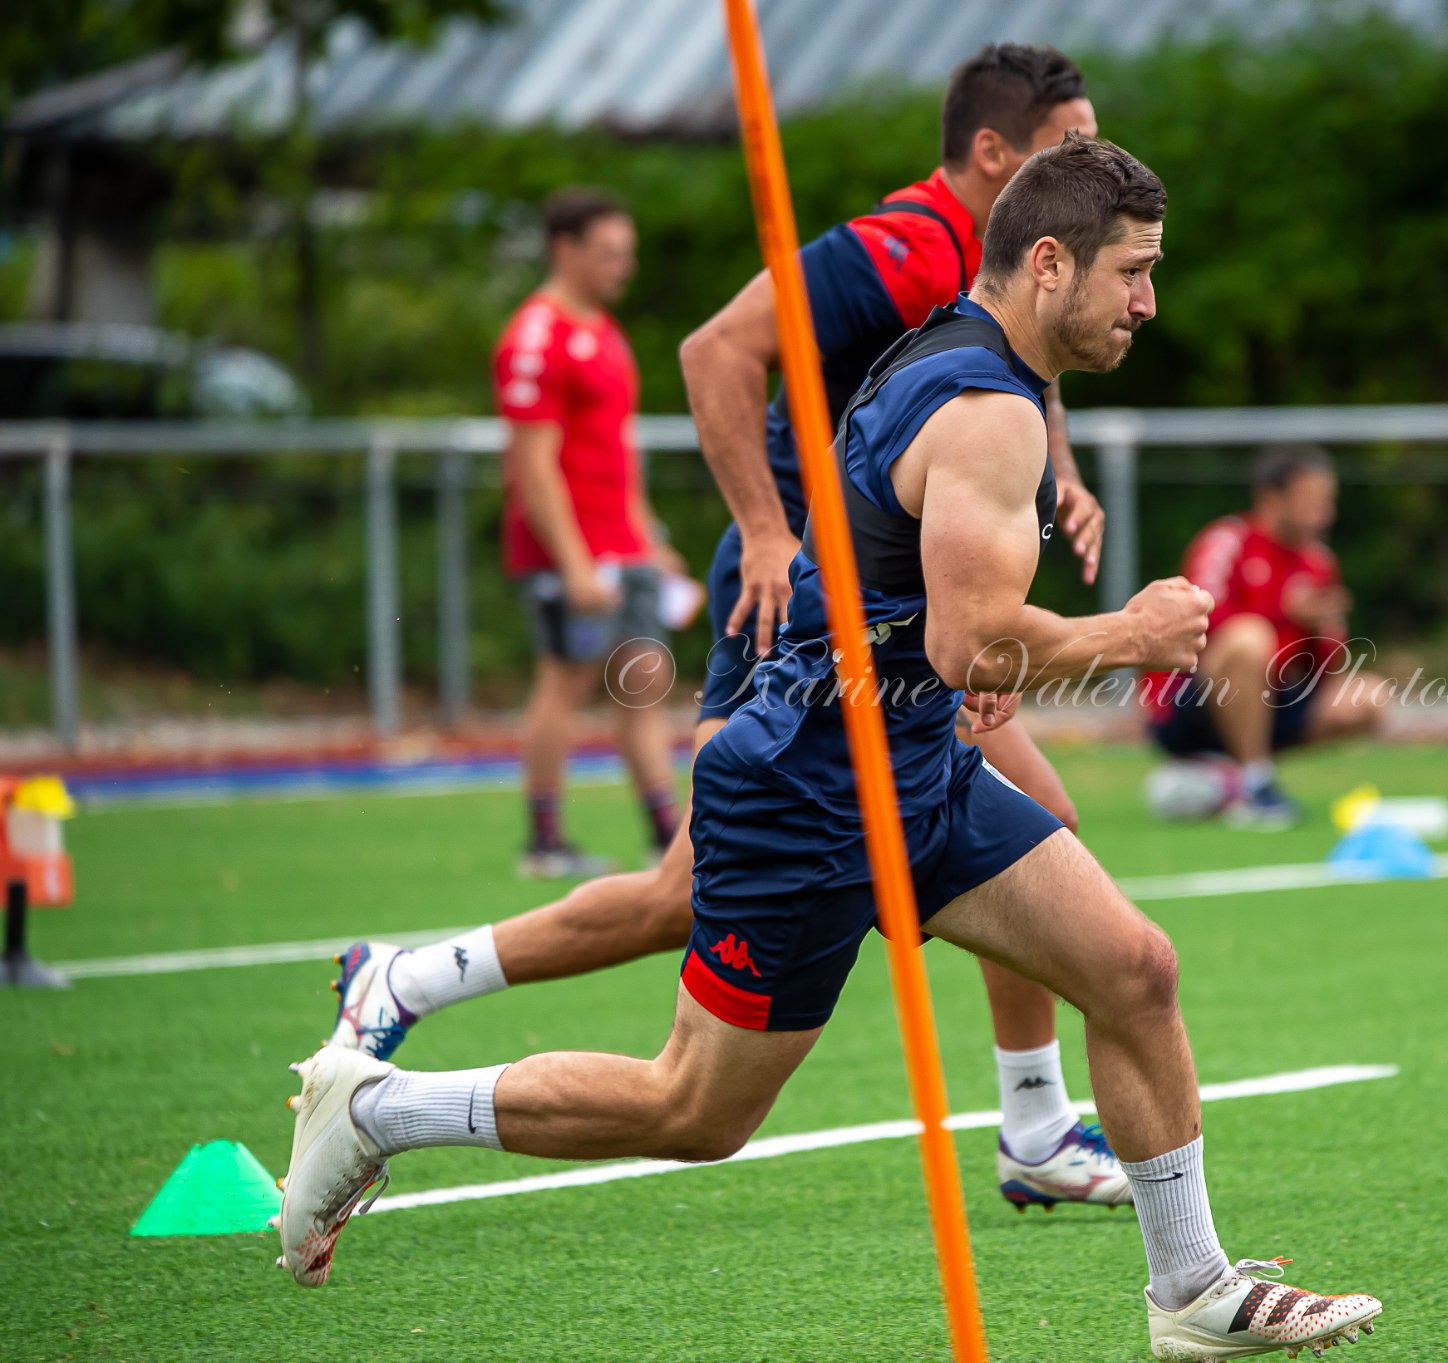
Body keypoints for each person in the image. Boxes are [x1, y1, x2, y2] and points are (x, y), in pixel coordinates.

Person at [280, 136, 1382, 1361]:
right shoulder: (985, 412)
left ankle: (1192, 1289)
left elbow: (911, 605)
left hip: (910, 764)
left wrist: (931, 665)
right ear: (1051, 260)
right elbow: (974, 640)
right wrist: (1132, 629)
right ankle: (380, 1109)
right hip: (809, 789)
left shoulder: (956, 361)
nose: (1146, 303)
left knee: (1133, 968)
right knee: (694, 1109)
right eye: (1131, 272)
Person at [325, 46, 1124, 1212]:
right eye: (1067, 146)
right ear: (995, 156)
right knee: (729, 914)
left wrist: (1052, 474)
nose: (1089, 168)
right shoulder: (903, 245)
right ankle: (1035, 1121)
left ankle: (406, 974)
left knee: (704, 891)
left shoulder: (999, 271)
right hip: (807, 617)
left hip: (888, 624)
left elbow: (1015, 379)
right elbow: (716, 350)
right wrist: (762, 529)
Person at [495, 187, 686, 879]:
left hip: (622, 546)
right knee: (566, 680)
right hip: (570, 554)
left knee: (643, 680)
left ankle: (666, 833)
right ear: (563, 249)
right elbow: (533, 464)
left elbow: (617, 449)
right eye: (608, 253)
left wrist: (648, 535)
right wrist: (573, 561)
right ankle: (543, 839)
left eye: (626, 254)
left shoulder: (604, 332)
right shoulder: (535, 336)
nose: (622, 267)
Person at [1142, 446, 1385, 828]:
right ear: (1273, 499)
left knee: (1369, 697)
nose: (1326, 515)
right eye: (1314, 502)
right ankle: (1256, 784)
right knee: (1249, 638)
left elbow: (1324, 671)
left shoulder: (1318, 561)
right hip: (1194, 697)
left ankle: (1225, 776)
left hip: (1272, 699)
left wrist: (1322, 631)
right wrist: (1285, 612)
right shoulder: (1229, 540)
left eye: (1327, 502)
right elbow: (1200, 625)